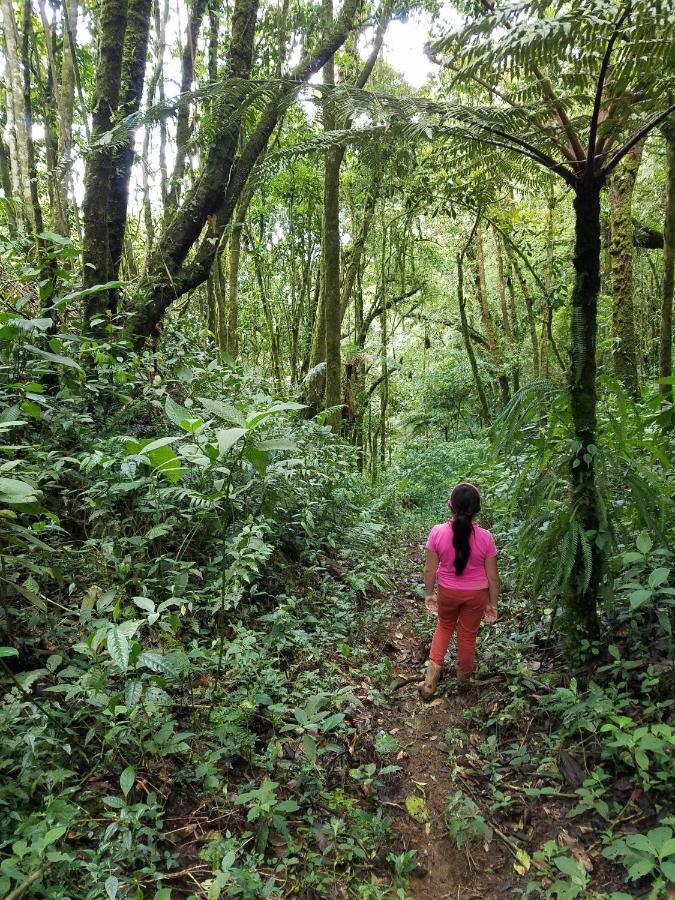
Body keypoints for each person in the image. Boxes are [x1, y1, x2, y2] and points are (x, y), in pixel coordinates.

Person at [418, 482, 499, 700]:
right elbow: (493, 577)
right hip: (477, 595)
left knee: (444, 627)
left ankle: (429, 682)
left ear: (449, 505)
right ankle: (463, 680)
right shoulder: (486, 537)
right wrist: (492, 604)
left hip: (448, 591)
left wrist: (429, 593)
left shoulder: (437, 532)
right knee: (467, 635)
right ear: (477, 509)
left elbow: (430, 568)